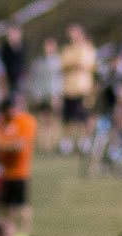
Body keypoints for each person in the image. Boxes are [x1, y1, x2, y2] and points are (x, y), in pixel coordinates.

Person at [0, 95, 37, 236]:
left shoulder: (26, 121)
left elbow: (19, 145)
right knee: (5, 209)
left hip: (20, 172)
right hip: (3, 173)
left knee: (22, 208)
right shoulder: (1, 122)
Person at [59, 24, 96, 154]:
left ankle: (84, 141)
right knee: (68, 117)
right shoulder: (67, 49)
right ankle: (67, 143)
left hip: (84, 88)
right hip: (69, 88)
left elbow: (89, 64)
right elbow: (64, 64)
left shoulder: (88, 48)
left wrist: (76, 64)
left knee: (84, 116)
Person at [27, 37, 63, 153]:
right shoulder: (37, 62)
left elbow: (60, 79)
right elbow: (35, 80)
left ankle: (52, 143)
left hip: (54, 95)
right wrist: (36, 94)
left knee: (54, 119)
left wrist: (58, 95)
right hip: (41, 95)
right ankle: (43, 144)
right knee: (42, 119)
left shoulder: (59, 61)